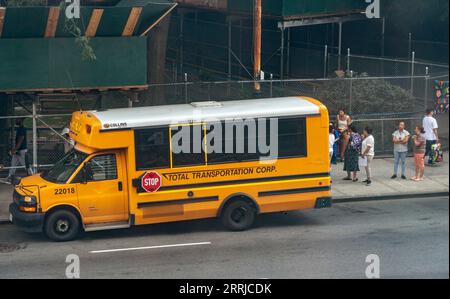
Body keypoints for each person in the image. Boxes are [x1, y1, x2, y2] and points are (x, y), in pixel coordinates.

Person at [5, 118, 34, 183]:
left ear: (20, 121)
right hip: (18, 150)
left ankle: (31, 176)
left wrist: (15, 149)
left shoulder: (22, 129)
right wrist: (15, 150)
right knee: (13, 164)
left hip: (21, 150)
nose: (16, 121)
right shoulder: (19, 129)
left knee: (25, 164)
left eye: (17, 120)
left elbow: (20, 141)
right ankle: (10, 176)